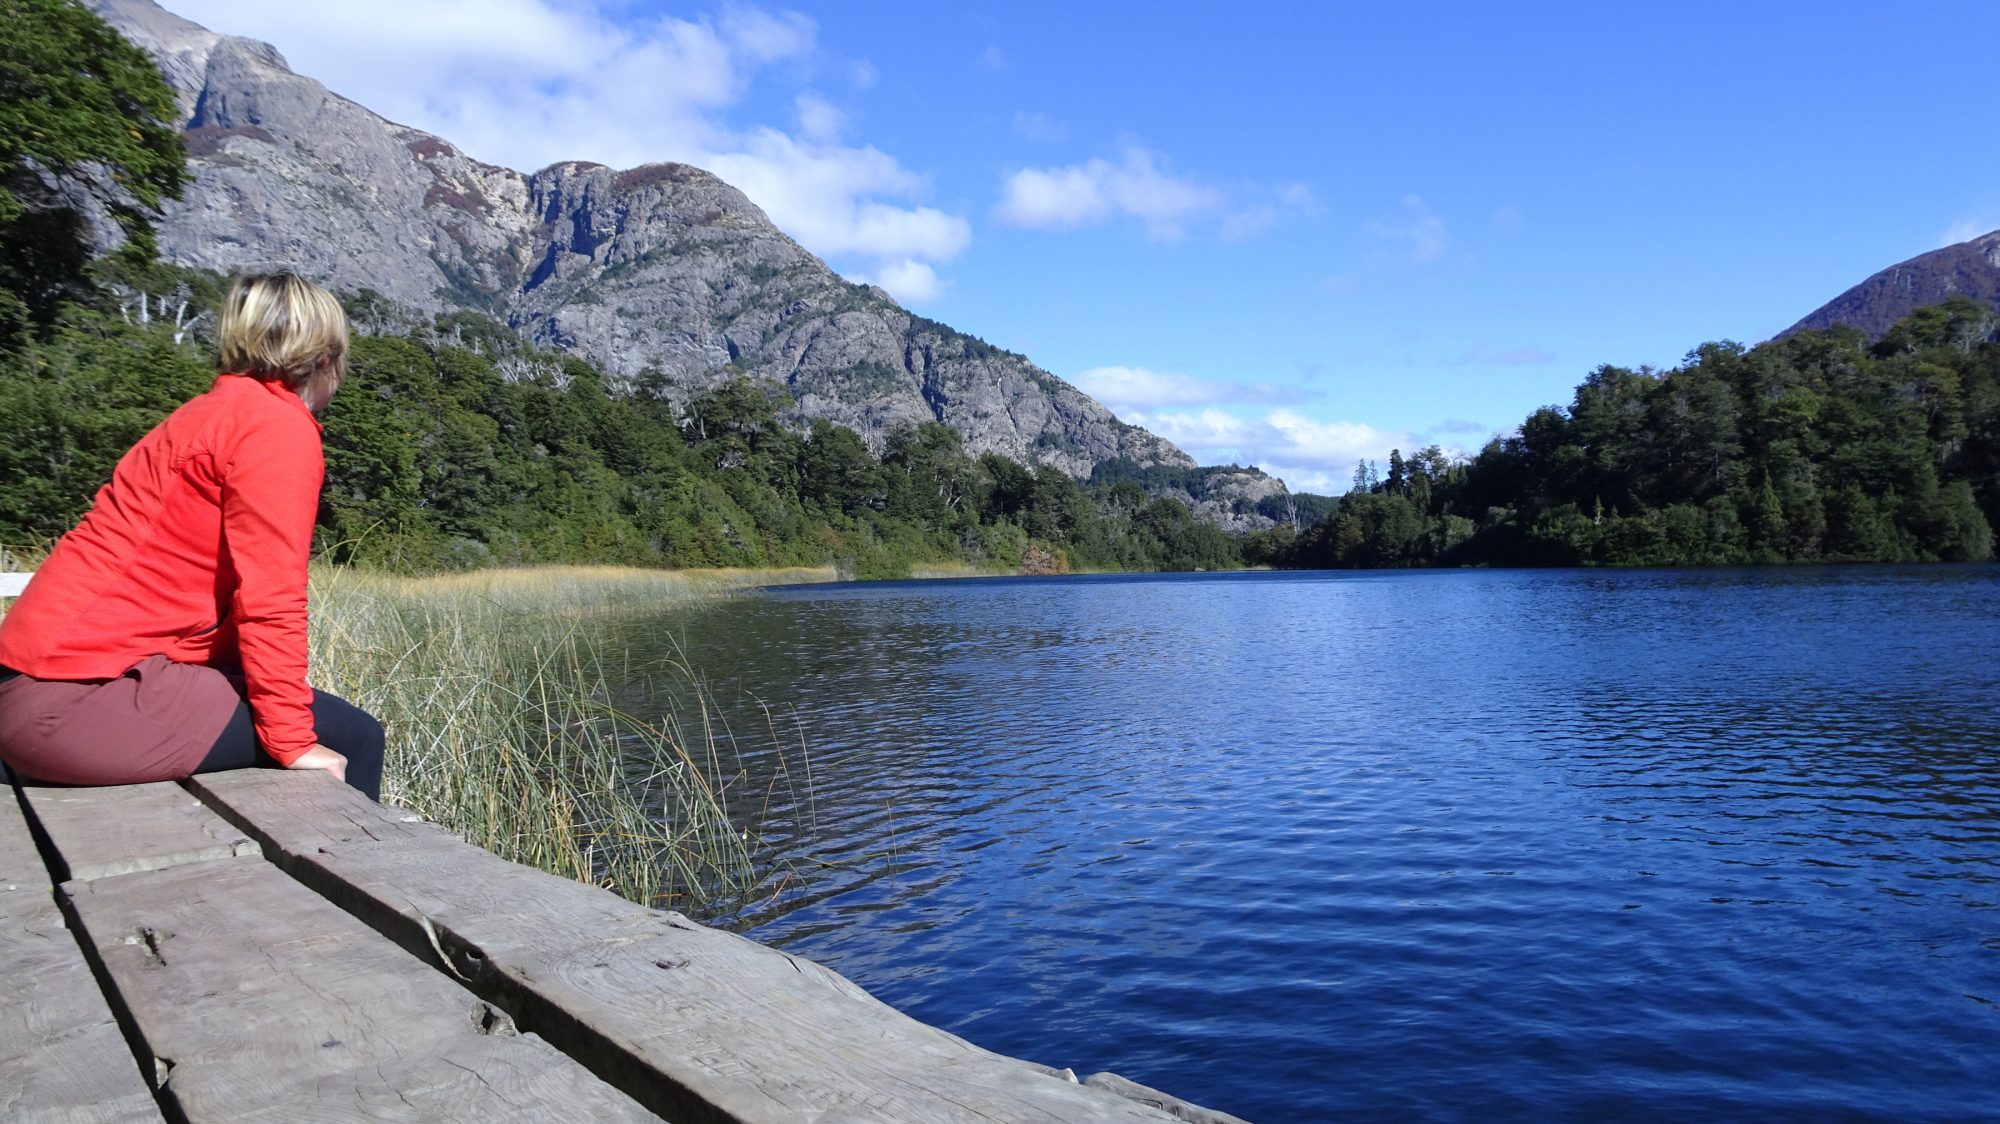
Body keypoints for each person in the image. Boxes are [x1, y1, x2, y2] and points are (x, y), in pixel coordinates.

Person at [0, 272, 383, 799]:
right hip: (70, 705)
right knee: (354, 737)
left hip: (35, 686)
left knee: (274, 709)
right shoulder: (275, 426)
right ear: (324, 359)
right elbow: (271, 599)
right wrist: (292, 741)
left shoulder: (206, 413)